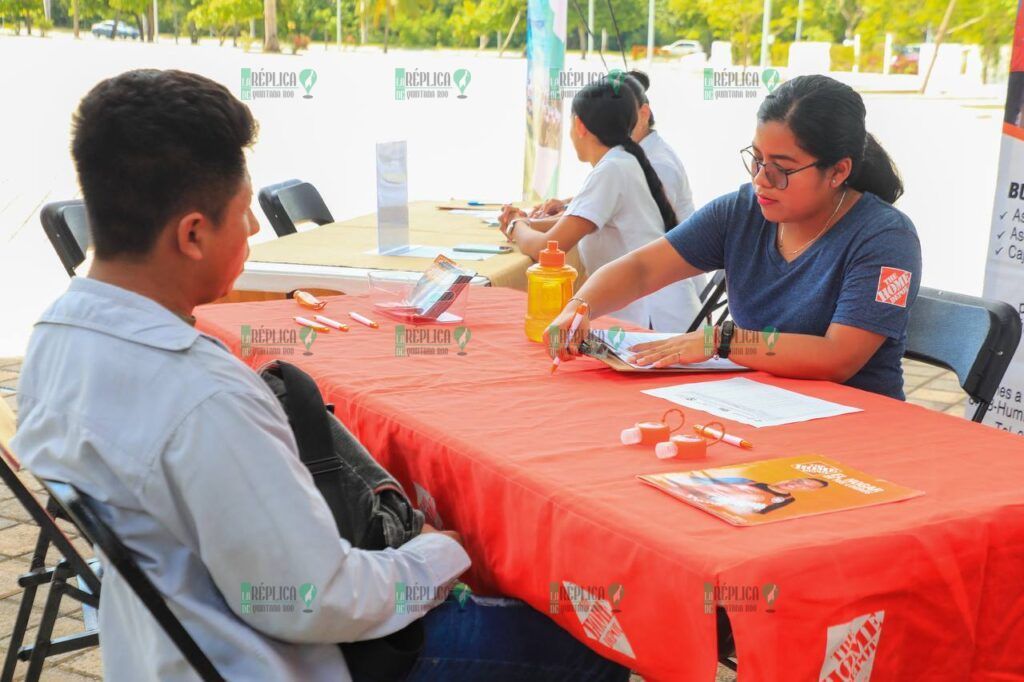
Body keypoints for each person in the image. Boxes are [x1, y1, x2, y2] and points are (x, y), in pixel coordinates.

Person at [11, 69, 629, 682]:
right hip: (274, 658)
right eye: (245, 210)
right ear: (193, 234)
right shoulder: (204, 396)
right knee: (590, 641)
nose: (254, 228)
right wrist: (444, 551)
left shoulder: (56, 340)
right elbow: (319, 599)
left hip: (150, 646)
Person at [546, 74, 922, 400]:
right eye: (756, 159)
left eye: (781, 169)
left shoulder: (885, 238)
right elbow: (644, 268)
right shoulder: (744, 210)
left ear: (838, 171)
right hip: (759, 403)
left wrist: (720, 342)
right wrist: (579, 308)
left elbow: (838, 357)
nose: (760, 179)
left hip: (859, 418)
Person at [500, 79, 703, 332]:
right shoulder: (623, 161)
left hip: (655, 320)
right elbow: (577, 222)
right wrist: (528, 223)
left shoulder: (612, 169)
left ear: (579, 125)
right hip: (660, 311)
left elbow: (547, 250)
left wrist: (516, 225)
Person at [528, 71, 696, 223]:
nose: (613, 122)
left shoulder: (659, 164)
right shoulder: (626, 159)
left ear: (644, 113)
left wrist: (521, 223)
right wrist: (566, 205)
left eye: (622, 114)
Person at [667, 475, 828, 515]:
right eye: (799, 480)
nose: (795, 484)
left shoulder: (786, 500)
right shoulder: (745, 480)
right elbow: (699, 481)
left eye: (804, 486)